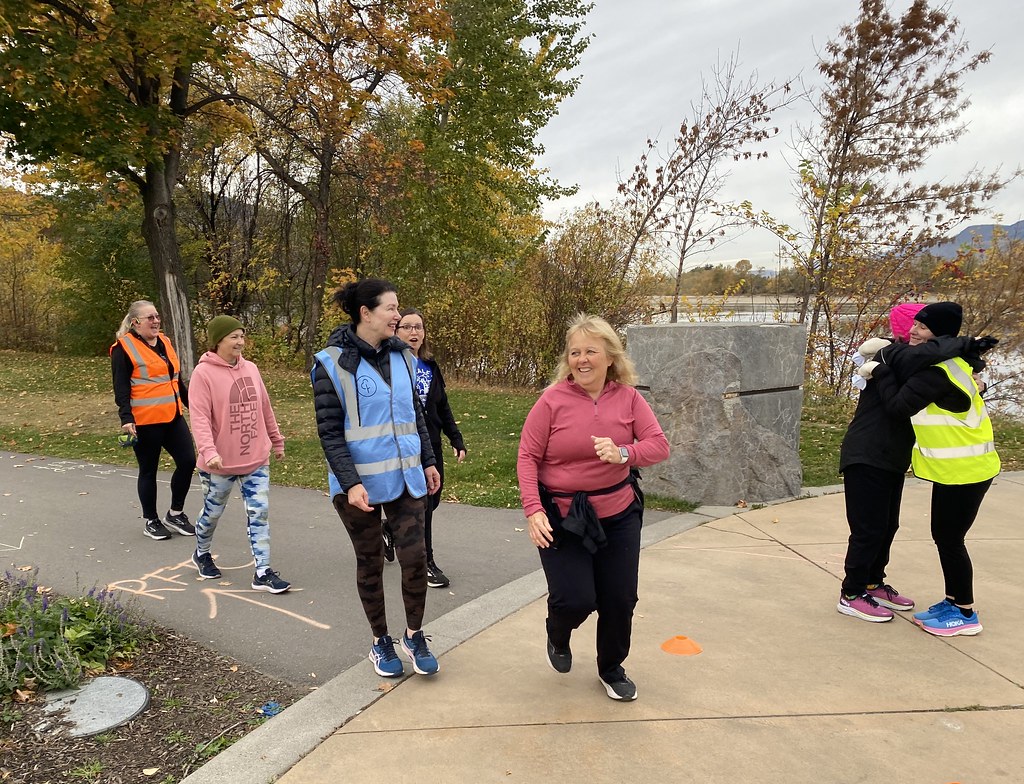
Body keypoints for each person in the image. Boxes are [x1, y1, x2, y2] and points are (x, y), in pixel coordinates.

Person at [517, 314, 669, 702]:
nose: (582, 360)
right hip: (563, 516)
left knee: (620, 598)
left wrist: (624, 453)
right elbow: (527, 456)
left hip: (619, 513)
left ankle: (611, 668)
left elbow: (658, 445)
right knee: (576, 599)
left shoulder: (629, 398)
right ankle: (558, 631)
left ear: (610, 357)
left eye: (590, 351)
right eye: (574, 352)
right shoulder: (552, 401)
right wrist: (534, 509)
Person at [312, 279, 442, 678]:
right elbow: (329, 432)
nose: (398, 316)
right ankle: (380, 641)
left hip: (406, 477)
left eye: (398, 308)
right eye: (391, 308)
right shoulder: (331, 364)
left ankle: (414, 635)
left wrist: (428, 460)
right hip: (357, 486)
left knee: (415, 557)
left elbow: (414, 414)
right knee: (370, 562)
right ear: (365, 313)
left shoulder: (404, 356)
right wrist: (350, 483)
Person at [865, 302, 1000, 637]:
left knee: (951, 540)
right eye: (914, 324)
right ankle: (952, 601)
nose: (914, 330)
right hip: (957, 470)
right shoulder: (949, 363)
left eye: (922, 327)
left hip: (967, 470)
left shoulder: (935, 374)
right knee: (945, 536)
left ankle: (965, 612)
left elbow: (898, 407)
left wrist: (879, 372)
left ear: (939, 335)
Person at [836, 303, 925, 622]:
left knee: (887, 525)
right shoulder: (891, 356)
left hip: (892, 456)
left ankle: (873, 583)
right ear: (908, 329)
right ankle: (851, 593)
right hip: (866, 453)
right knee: (867, 529)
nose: (922, 332)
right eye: (919, 325)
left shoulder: (908, 357)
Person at [187, 315, 290, 594]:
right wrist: (209, 451)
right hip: (219, 463)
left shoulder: (251, 369)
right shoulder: (203, 374)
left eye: (242, 336)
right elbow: (199, 418)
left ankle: (263, 572)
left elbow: (264, 407)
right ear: (218, 341)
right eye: (234, 337)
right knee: (213, 512)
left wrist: (276, 440)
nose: (240, 342)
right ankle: (202, 552)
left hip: (255, 459)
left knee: (259, 512)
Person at [388, 308, 466, 589]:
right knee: (422, 507)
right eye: (407, 327)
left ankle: (390, 529)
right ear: (396, 332)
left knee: (432, 501)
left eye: (418, 327)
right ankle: (426, 563)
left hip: (431, 444)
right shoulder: (390, 365)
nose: (414, 332)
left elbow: (442, 406)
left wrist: (455, 438)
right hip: (405, 445)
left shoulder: (430, 366)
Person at [111, 300, 197, 541]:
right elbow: (121, 388)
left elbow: (176, 380)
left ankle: (175, 513)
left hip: (173, 416)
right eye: (150, 317)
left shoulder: (165, 342)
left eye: (157, 316)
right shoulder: (123, 348)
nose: (156, 321)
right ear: (136, 322)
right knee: (148, 470)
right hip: (145, 421)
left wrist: (193, 406)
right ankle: (151, 520)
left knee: (188, 461)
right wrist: (126, 418)